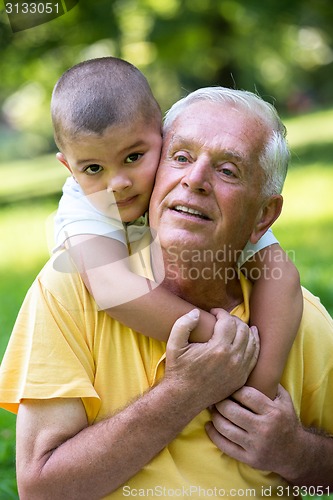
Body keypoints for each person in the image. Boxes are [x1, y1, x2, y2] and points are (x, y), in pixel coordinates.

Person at [0, 87, 332, 499]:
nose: (194, 180)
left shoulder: (301, 318)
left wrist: (296, 453)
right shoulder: (69, 288)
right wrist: (185, 391)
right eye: (181, 157)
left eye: (228, 170)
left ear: (263, 215)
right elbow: (40, 491)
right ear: (159, 169)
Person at [51, 57, 301, 399]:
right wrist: (221, 338)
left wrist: (259, 386)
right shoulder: (83, 203)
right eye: (93, 168)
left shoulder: (193, 186)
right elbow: (114, 290)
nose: (118, 183)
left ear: (161, 135)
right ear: (69, 167)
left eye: (133, 157)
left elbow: (281, 275)